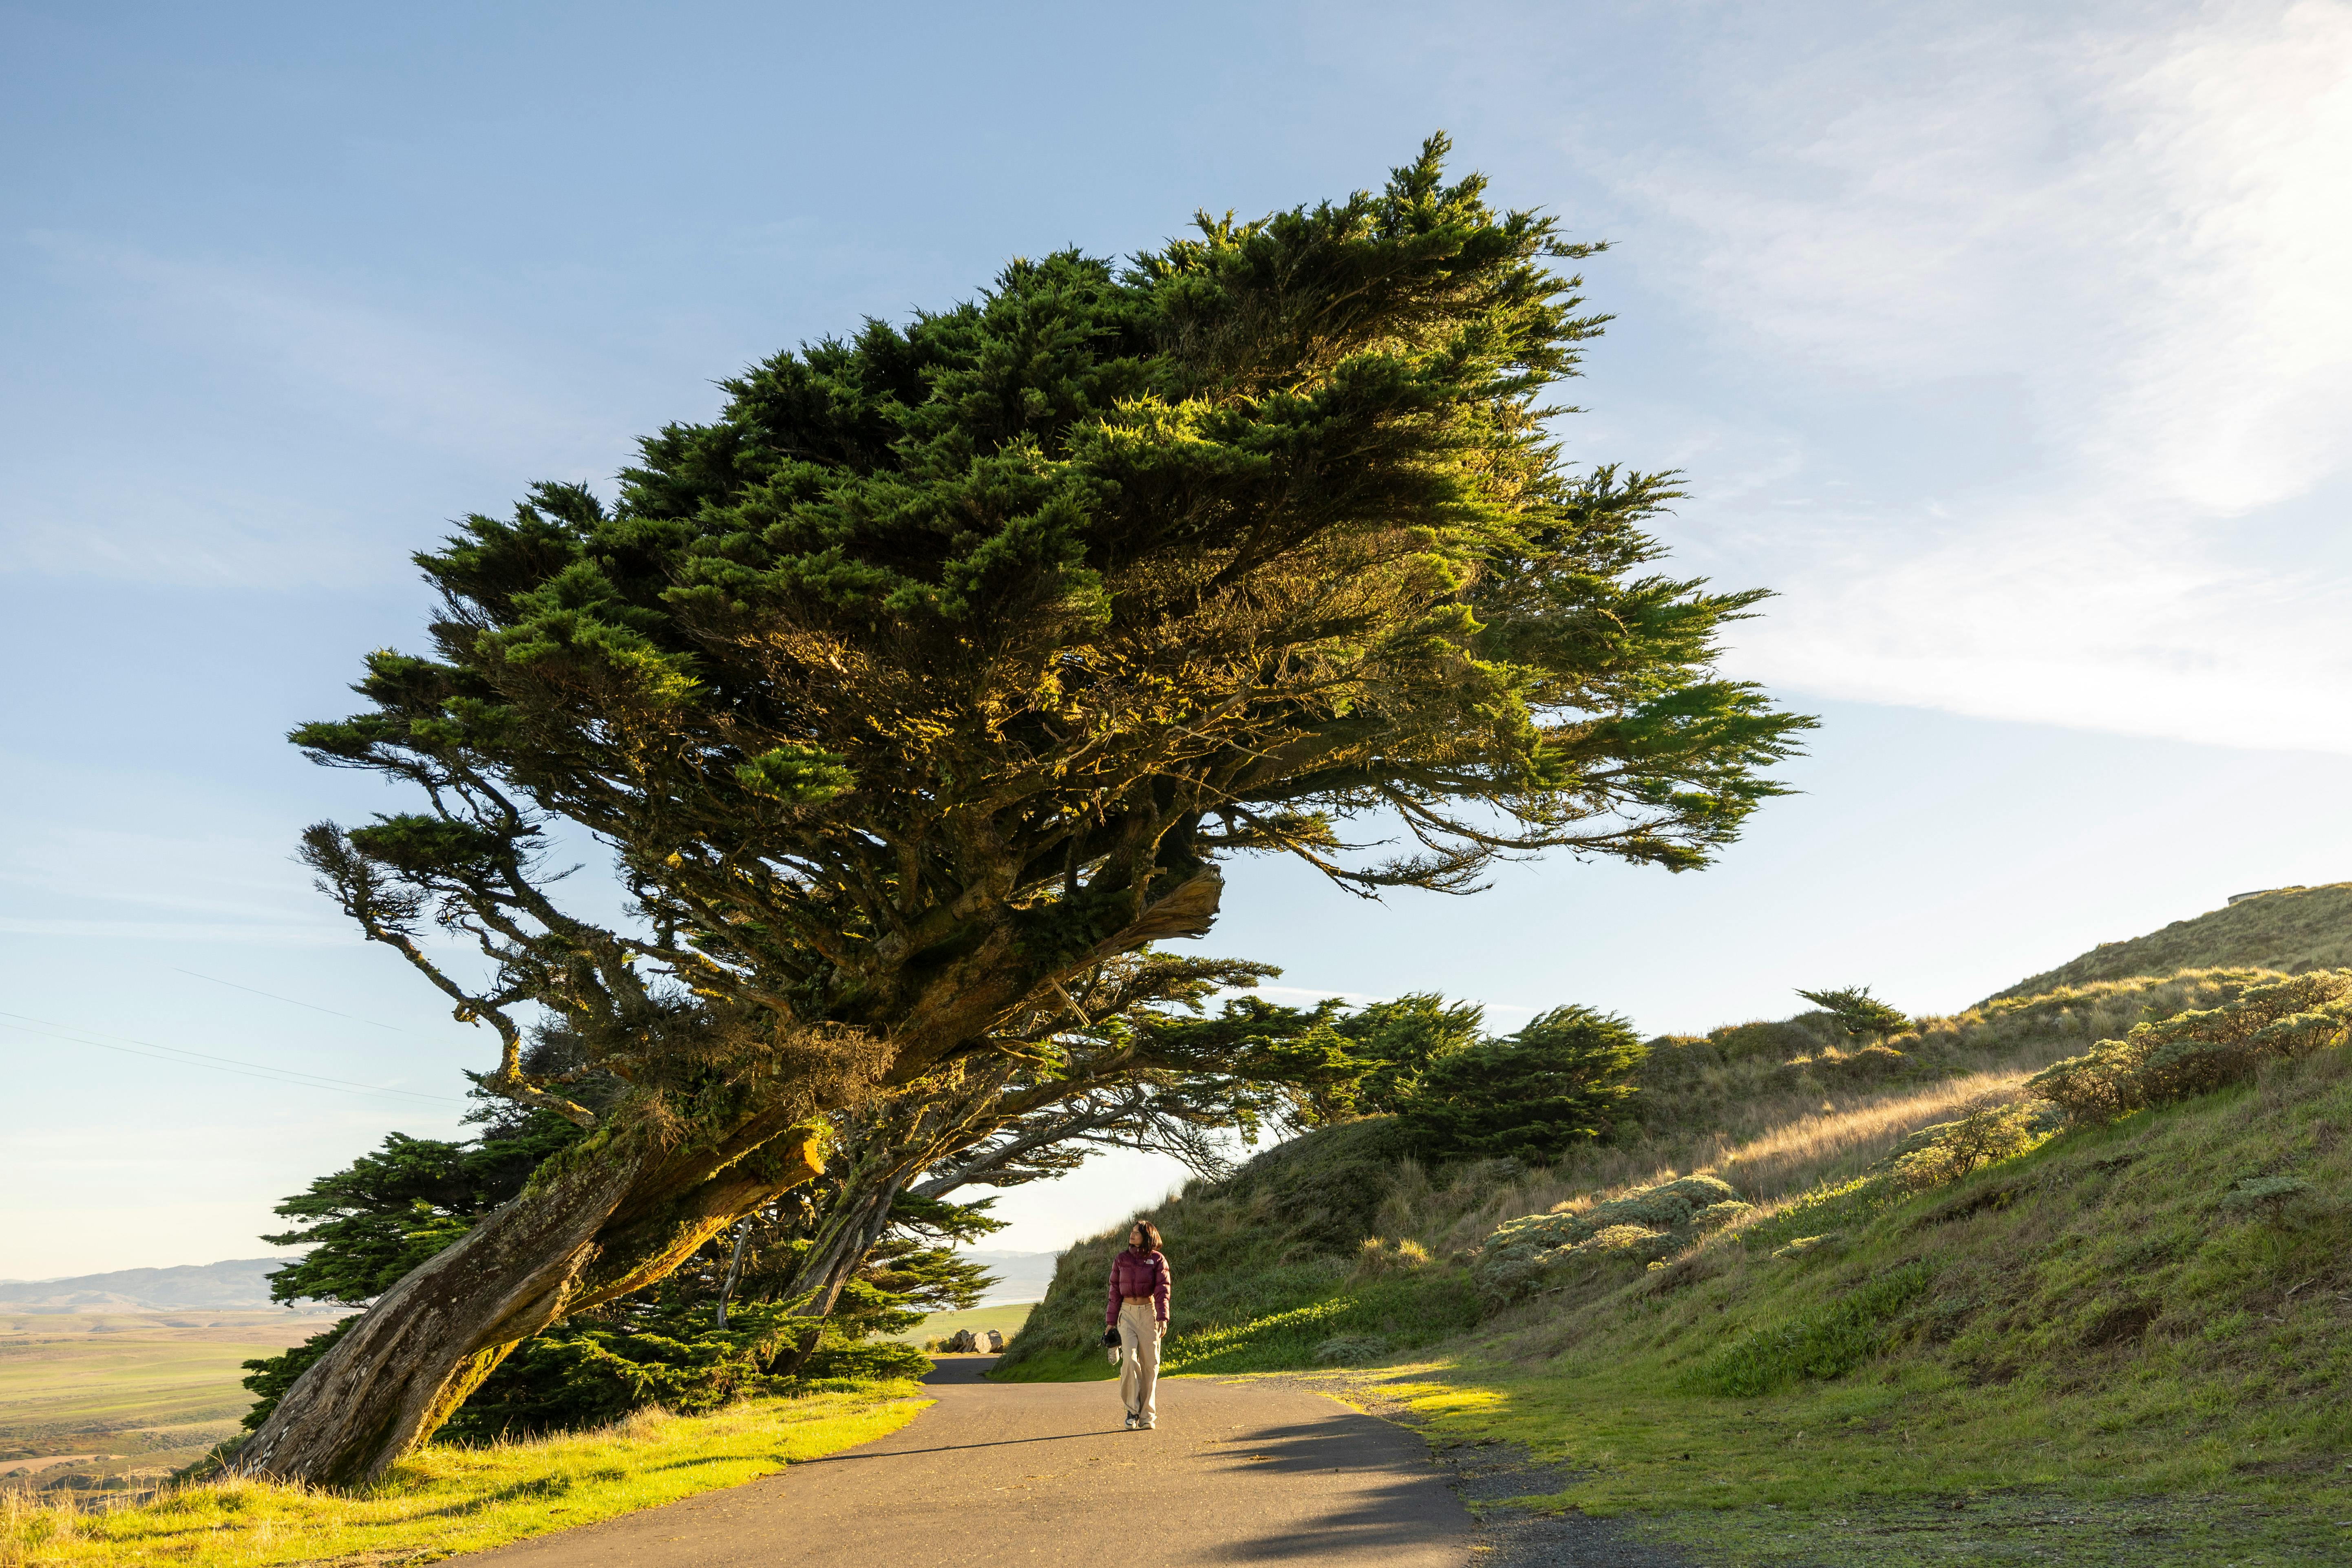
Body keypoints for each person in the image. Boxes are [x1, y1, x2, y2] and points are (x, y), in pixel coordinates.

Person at [1105, 1219, 1170, 1430]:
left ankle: (1147, 1416)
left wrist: (1162, 1317)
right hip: (1127, 1314)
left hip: (1148, 1314)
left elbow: (1163, 1291)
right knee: (1130, 1362)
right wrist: (1110, 1323)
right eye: (1132, 1232)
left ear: (1147, 1236)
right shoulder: (1121, 1259)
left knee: (1151, 1365)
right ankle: (1132, 1412)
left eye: (1137, 1232)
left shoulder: (1158, 1260)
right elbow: (1114, 1292)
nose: (1132, 1235)